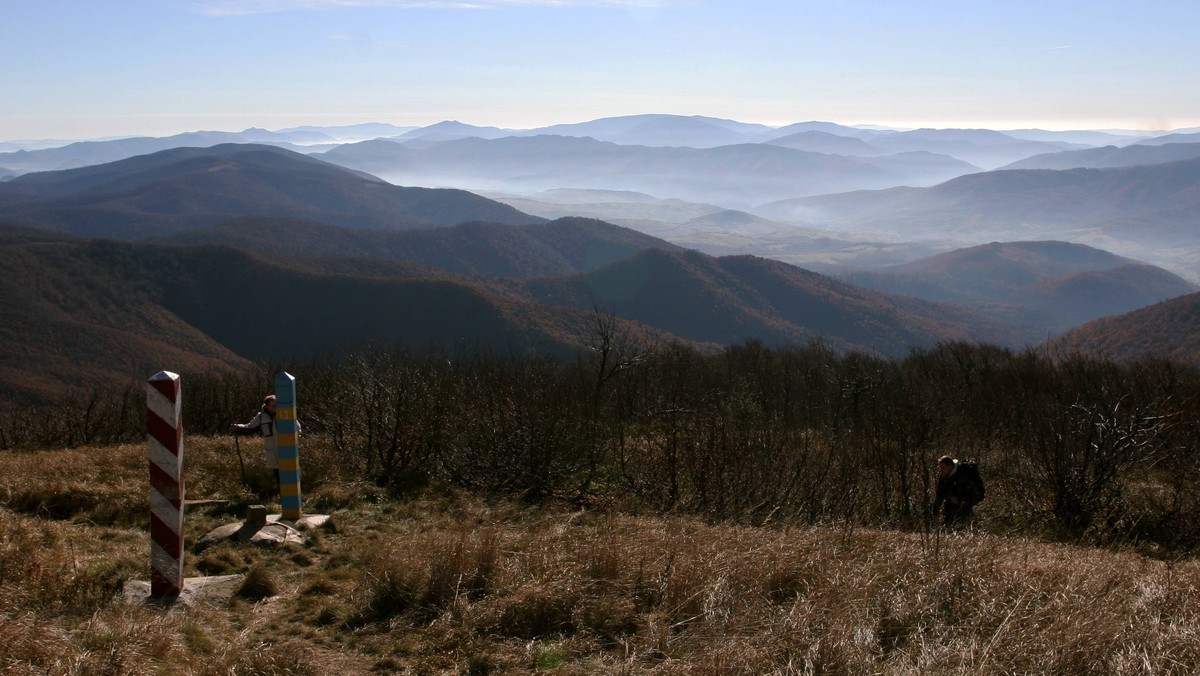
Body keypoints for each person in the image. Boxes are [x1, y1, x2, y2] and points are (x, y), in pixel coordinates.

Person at [230, 394, 294, 489]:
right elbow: (250, 427)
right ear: (267, 406)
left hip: (286, 449)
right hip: (272, 451)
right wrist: (238, 427)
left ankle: (291, 497)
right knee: (278, 476)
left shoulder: (285, 414)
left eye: (277, 405)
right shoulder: (261, 417)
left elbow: (296, 427)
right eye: (273, 406)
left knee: (290, 474)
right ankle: (283, 497)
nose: (276, 408)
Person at [931, 455, 985, 529]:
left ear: (950, 466)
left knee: (964, 531)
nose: (941, 470)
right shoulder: (943, 477)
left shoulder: (964, 476)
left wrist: (960, 500)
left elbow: (978, 495)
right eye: (940, 468)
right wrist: (935, 515)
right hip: (949, 512)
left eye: (943, 468)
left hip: (965, 511)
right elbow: (939, 497)